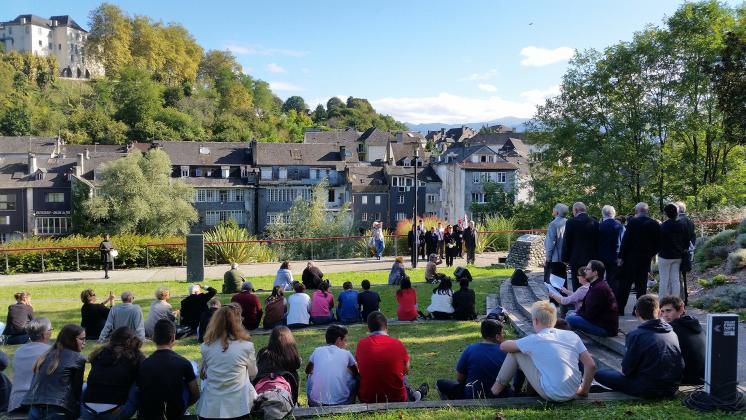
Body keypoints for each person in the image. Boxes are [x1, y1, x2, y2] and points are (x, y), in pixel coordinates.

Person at [490, 301, 595, 402]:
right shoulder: (573, 335)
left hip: (552, 393)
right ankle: (508, 390)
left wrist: (518, 344)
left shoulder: (535, 339)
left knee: (516, 352)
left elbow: (503, 346)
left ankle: (494, 392)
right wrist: (583, 390)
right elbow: (591, 365)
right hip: (572, 391)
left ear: (535, 320)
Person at [594, 294, 683, 398]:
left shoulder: (636, 334)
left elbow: (626, 370)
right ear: (659, 312)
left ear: (636, 313)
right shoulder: (671, 332)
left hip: (647, 389)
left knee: (600, 373)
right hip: (672, 386)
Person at [198, 307, 257, 419]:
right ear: (237, 323)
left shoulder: (205, 347)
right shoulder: (247, 346)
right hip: (239, 407)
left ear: (215, 323)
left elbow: (204, 373)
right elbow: (253, 373)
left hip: (211, 407)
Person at [356, 312, 428, 403]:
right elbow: (406, 370)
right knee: (402, 379)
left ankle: (415, 393)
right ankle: (417, 394)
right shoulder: (397, 344)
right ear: (386, 326)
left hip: (368, 398)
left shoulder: (361, 345)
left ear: (368, 328)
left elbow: (359, 368)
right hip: (396, 398)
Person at [137, 319, 199, 419]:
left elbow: (140, 391)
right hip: (174, 412)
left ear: (153, 338)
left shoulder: (144, 364)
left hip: (148, 413)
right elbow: (195, 393)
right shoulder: (183, 363)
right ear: (173, 338)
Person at [24, 324, 87, 420]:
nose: (84, 342)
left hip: (35, 407)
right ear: (71, 340)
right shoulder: (78, 359)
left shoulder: (46, 355)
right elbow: (76, 391)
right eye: (82, 339)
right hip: (58, 409)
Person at [82, 327, 145, 420]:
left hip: (87, 408)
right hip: (115, 410)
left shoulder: (99, 354)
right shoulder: (134, 356)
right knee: (137, 384)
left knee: (86, 385)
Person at [437, 320, 510, 400]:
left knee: (440, 383)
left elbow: (459, 378)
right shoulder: (506, 352)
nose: (503, 336)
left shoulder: (471, 349)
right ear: (497, 336)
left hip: (471, 394)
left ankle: (449, 402)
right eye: (503, 333)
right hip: (500, 395)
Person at [618, 202, 661, 315]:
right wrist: (651, 253)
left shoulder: (633, 222)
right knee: (641, 285)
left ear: (637, 211)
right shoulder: (654, 224)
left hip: (630, 257)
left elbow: (626, 240)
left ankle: (620, 308)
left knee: (626, 284)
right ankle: (638, 309)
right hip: (645, 257)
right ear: (647, 211)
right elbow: (658, 242)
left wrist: (621, 256)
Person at [306, 325, 360, 406]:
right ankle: (351, 402)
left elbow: (307, 371)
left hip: (316, 403)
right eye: (345, 340)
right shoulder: (346, 353)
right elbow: (356, 373)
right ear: (339, 340)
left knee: (310, 376)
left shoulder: (317, 351)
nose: (346, 344)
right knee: (355, 379)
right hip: (342, 402)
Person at [8, 318, 53, 414]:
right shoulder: (52, 352)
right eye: (50, 330)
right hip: (38, 403)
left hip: (16, 402)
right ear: (44, 334)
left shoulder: (18, 351)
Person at [566, 260, 619, 337]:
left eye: (587, 269)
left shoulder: (598, 288)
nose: (585, 271)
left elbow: (590, 314)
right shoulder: (596, 285)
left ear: (595, 273)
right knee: (570, 313)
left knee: (570, 319)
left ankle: (572, 340)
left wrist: (578, 314)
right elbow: (588, 309)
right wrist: (578, 313)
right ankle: (573, 337)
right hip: (598, 321)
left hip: (605, 328)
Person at [660, 296, 704, 385]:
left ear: (680, 309)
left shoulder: (671, 329)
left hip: (686, 378)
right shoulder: (694, 324)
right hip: (703, 377)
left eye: (669, 310)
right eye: (662, 311)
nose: (665, 315)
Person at [256, 326, 302, 404]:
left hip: (262, 387)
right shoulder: (290, 354)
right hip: (282, 388)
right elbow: (297, 365)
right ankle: (293, 401)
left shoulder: (263, 352)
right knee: (294, 374)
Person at [561, 202, 599, 291]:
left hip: (576, 258)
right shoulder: (595, 222)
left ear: (576, 210)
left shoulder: (571, 222)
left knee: (577, 283)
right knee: (590, 283)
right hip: (591, 258)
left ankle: (578, 303)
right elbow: (598, 242)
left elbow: (567, 241)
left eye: (573, 211)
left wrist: (565, 258)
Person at [658, 203, 689, 299]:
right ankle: (676, 301)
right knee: (675, 280)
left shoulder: (664, 226)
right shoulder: (682, 225)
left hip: (665, 256)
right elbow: (687, 241)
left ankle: (661, 301)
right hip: (678, 256)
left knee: (664, 280)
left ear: (666, 213)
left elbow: (659, 241)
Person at [598, 205, 624, 294]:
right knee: (613, 282)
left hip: (600, 256)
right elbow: (623, 243)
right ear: (614, 214)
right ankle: (613, 301)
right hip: (615, 257)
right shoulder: (620, 226)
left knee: (599, 281)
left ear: (603, 214)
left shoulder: (599, 226)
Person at [676, 201, 696, 304]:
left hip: (678, 253)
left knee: (678, 277)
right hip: (686, 252)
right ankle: (685, 298)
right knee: (683, 276)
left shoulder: (678, 222)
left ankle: (681, 299)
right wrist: (689, 249)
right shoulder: (690, 222)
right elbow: (693, 237)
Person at [544, 204, 568, 284]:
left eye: (553, 209)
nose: (552, 210)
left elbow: (551, 242)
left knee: (554, 285)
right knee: (563, 283)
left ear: (557, 212)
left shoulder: (553, 224)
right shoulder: (568, 222)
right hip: (565, 257)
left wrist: (548, 258)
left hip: (555, 258)